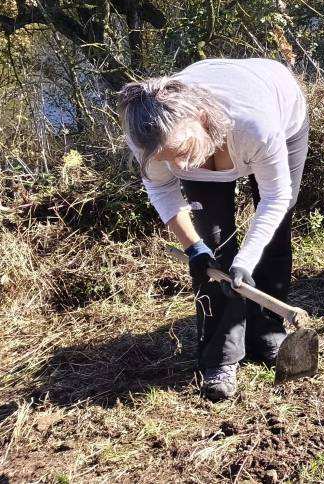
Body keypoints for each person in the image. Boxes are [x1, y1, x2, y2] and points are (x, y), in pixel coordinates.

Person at [118, 58, 309, 402]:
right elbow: (162, 190)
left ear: (201, 120)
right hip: (217, 128)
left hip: (279, 106)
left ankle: (267, 332)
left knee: (274, 236)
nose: (180, 166)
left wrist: (248, 259)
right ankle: (221, 358)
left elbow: (275, 197)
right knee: (215, 250)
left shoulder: (255, 126)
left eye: (183, 151)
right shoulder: (148, 138)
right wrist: (193, 247)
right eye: (167, 159)